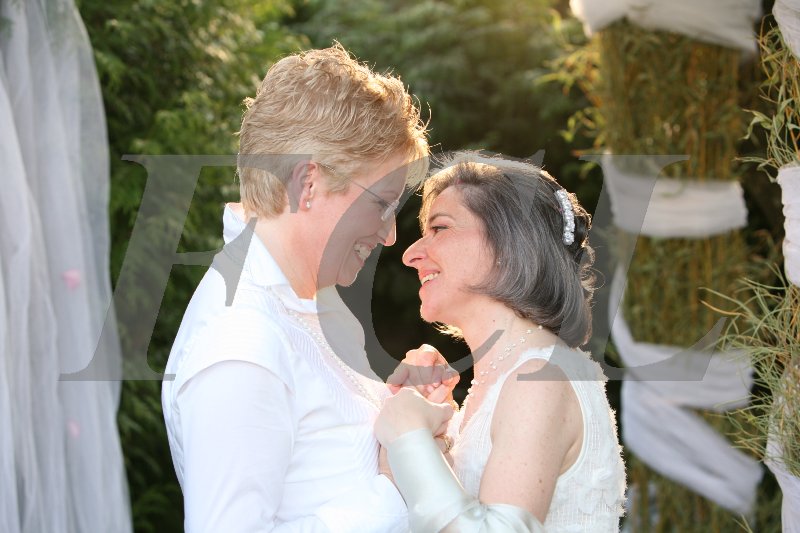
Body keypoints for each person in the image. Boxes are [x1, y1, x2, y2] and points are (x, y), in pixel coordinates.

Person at [161, 44, 446, 532]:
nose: (389, 235)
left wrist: (397, 408)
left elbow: (322, 465)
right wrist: (396, 488)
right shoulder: (240, 342)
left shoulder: (311, 305)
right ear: (307, 183)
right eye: (381, 203)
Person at [375, 153, 627, 532]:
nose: (411, 254)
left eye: (439, 228)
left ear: (508, 244)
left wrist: (408, 433)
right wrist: (429, 433)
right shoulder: (510, 379)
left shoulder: (541, 379)